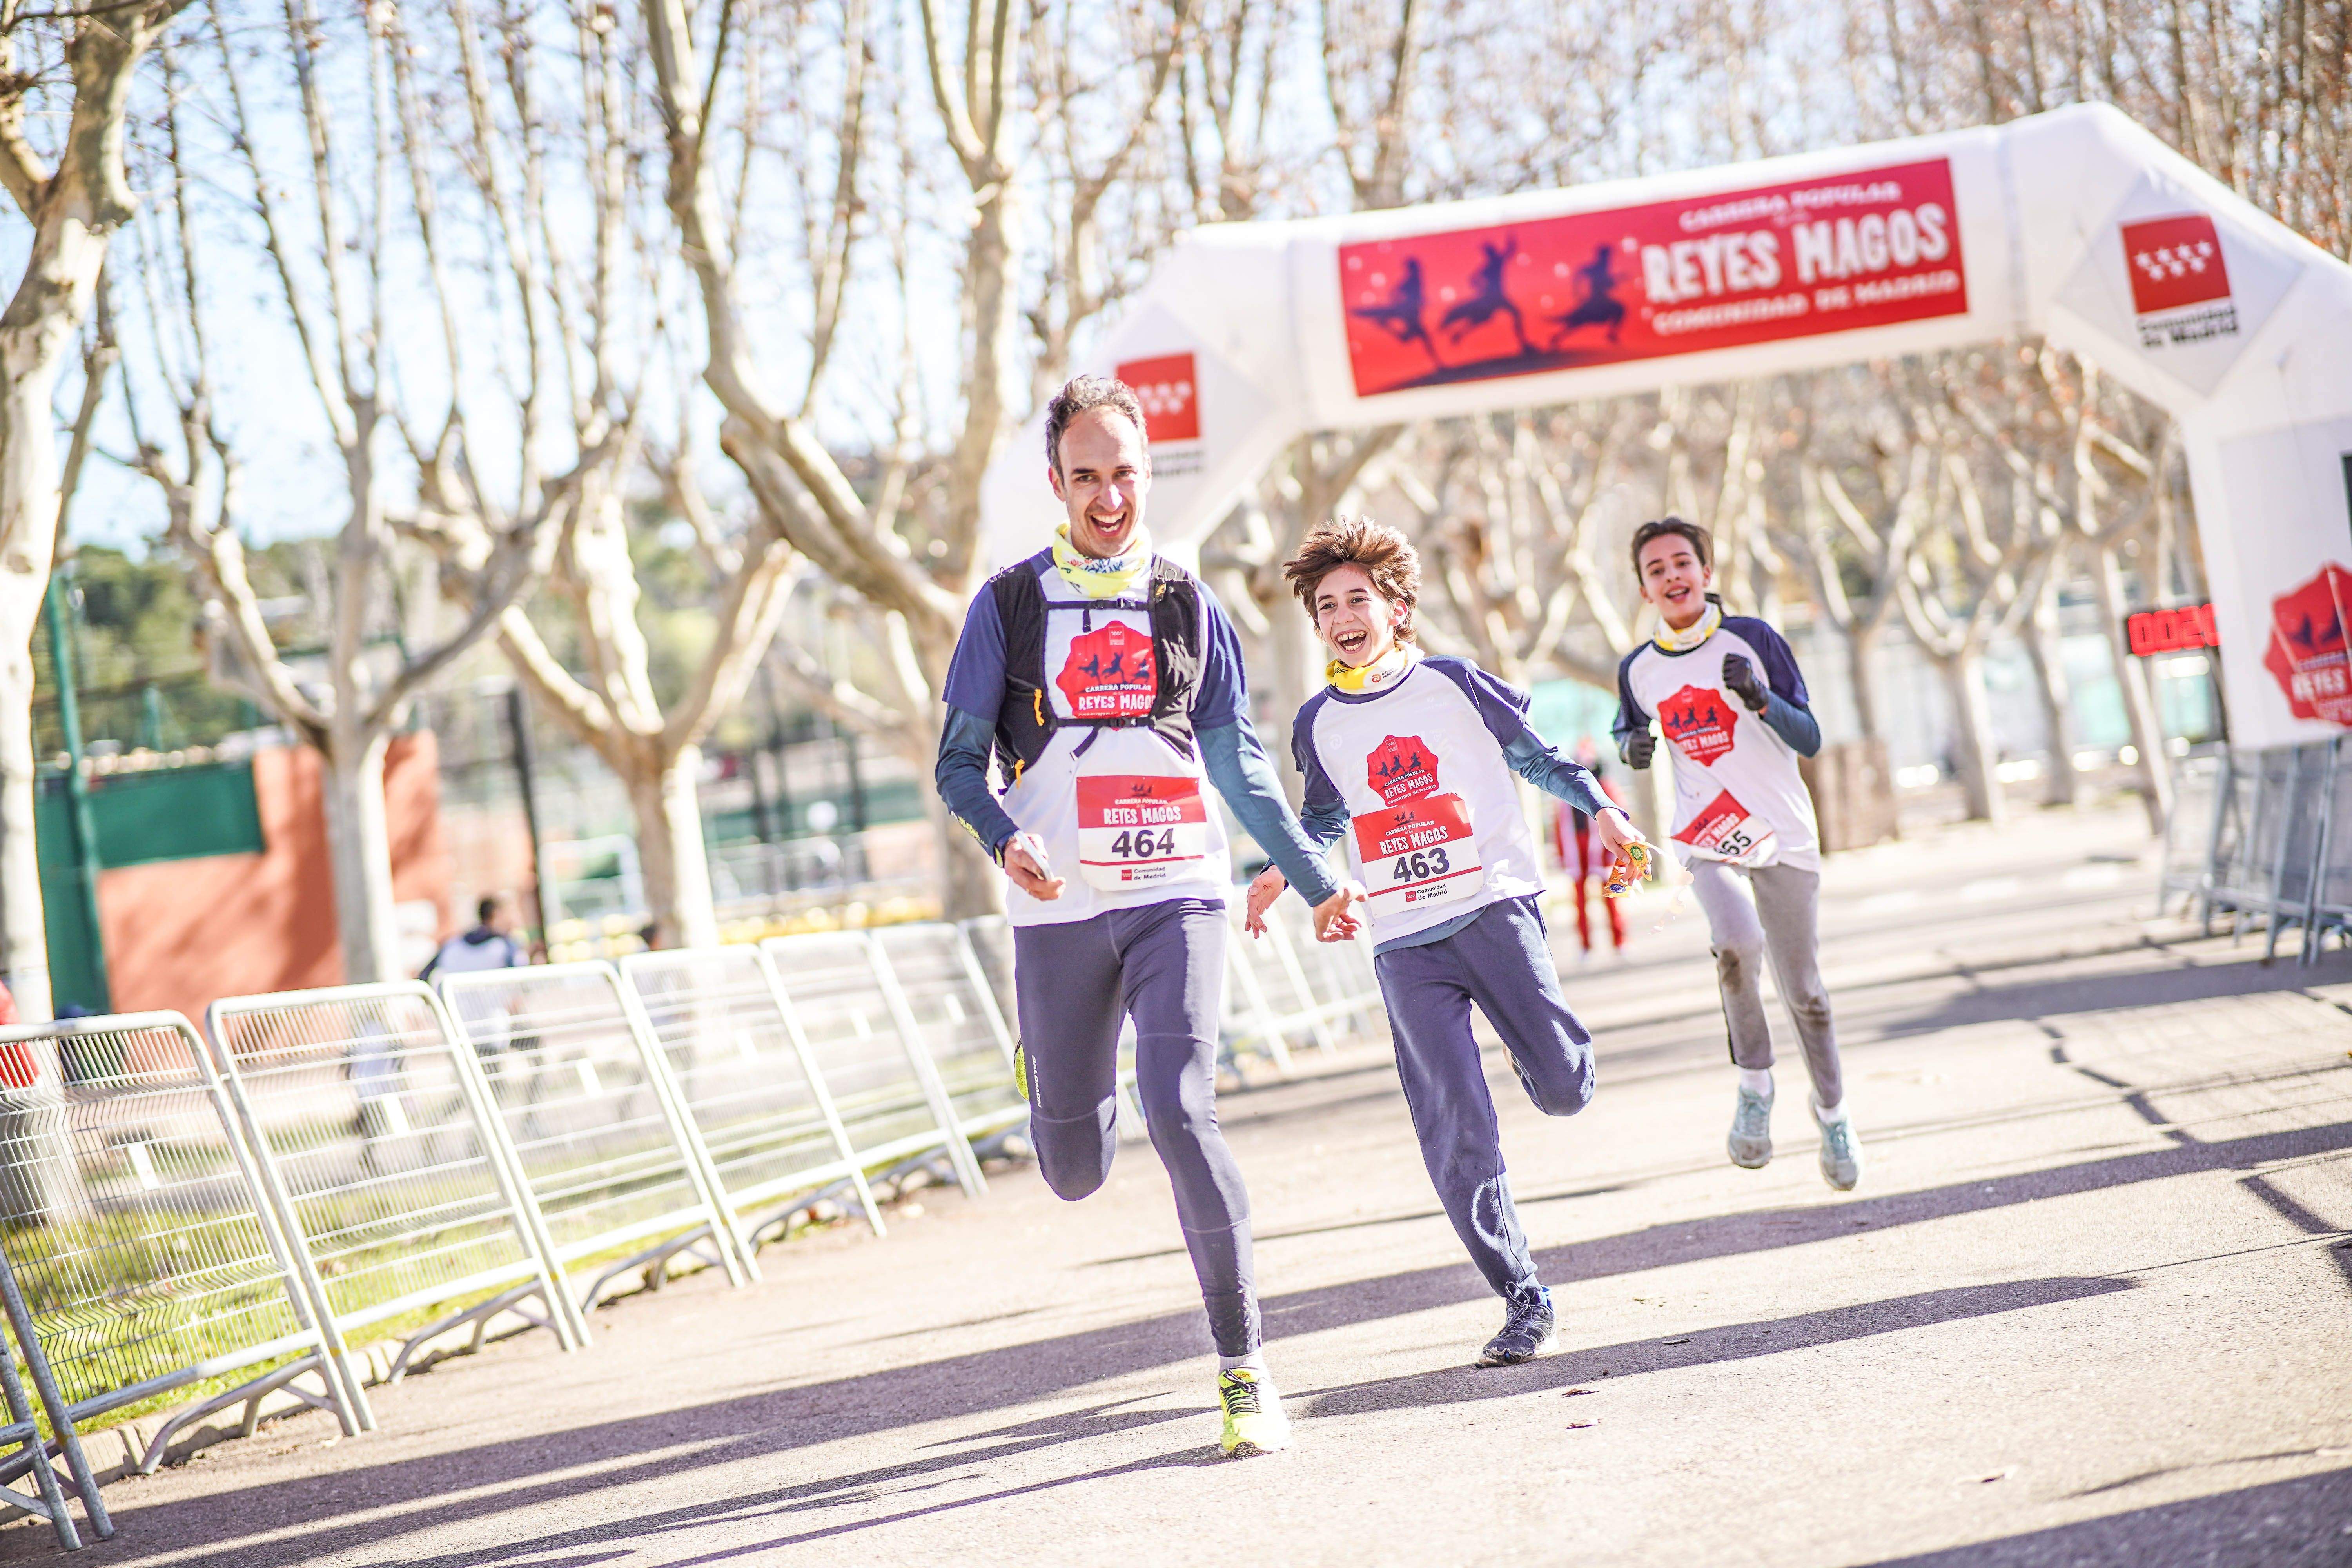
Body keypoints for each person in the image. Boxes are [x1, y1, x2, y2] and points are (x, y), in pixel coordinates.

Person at [934, 375, 1365, 1458]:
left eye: (1125, 472)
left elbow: (1240, 765)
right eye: (1087, 476)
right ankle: (1057, 1077)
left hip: (1178, 892)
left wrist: (1316, 881)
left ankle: (1243, 1369)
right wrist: (1005, 836)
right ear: (1057, 483)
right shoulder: (1010, 602)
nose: (1109, 495)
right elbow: (954, 764)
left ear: (1146, 474)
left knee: (1181, 1107)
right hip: (1060, 911)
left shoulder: (1185, 601)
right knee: (1074, 1170)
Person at [1245, 517, 1643, 1367]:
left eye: (1359, 597)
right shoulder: (1319, 722)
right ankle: (1523, 1296)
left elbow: (1539, 761)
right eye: (1327, 605)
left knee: (1566, 1090)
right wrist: (1284, 868)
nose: (1343, 614)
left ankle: (1535, 1050)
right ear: (1317, 625)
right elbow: (1321, 818)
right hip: (1404, 939)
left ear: (1396, 607)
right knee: (1454, 1126)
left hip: (1494, 905)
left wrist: (1605, 813)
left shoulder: (1456, 683)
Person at [1611, 517, 1861, 1190]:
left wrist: (1759, 699)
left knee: (1804, 990)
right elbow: (1628, 733)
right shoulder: (1638, 668)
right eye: (1657, 569)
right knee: (1737, 945)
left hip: (1781, 830)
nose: (1672, 577)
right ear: (1644, 588)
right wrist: (1633, 751)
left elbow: (1807, 737)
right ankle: (1755, 1086)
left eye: (1683, 563)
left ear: (1707, 572)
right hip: (1708, 831)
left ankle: (1832, 1112)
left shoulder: (1753, 641)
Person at [1552, 740, 1628, 960]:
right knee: (1579, 899)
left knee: (1612, 895)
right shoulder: (1565, 793)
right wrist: (1562, 854)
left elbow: (1621, 817)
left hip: (1603, 846)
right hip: (1576, 845)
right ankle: (1585, 945)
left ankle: (1620, 940)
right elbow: (1559, 825)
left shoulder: (1607, 787)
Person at [421, 896, 528, 980]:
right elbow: (522, 978)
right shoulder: (505, 947)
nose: (512, 922)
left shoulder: (452, 945)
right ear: (496, 915)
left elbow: (423, 976)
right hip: (497, 1006)